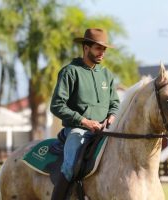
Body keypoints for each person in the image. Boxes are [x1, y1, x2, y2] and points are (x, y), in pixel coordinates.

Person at [50, 28, 120, 200]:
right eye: (98, 48)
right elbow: (57, 105)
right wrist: (85, 122)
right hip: (77, 130)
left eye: (104, 49)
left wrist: (112, 116)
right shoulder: (70, 71)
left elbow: (115, 103)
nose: (102, 53)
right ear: (86, 48)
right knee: (70, 167)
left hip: (104, 130)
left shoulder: (106, 75)